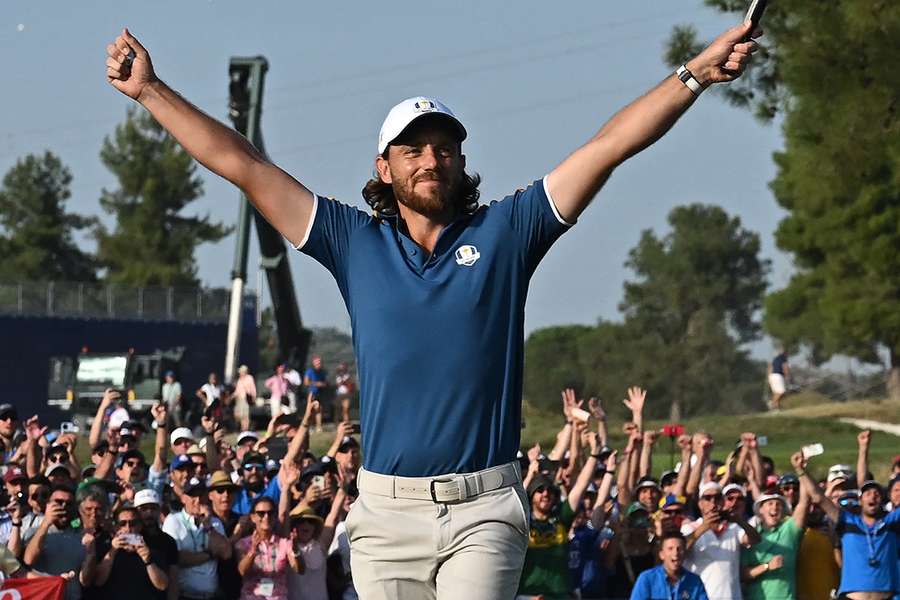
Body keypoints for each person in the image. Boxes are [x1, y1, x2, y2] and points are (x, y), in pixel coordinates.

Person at [104, 21, 758, 598]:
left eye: (444, 148)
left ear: (462, 161)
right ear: (383, 168)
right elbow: (243, 165)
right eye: (413, 149)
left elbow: (607, 145)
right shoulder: (351, 240)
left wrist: (694, 74)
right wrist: (151, 91)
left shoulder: (507, 233)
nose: (431, 160)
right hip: (386, 513)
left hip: (485, 509)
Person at [797, 449, 900, 600]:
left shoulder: (891, 522)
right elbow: (818, 497)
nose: (873, 496)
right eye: (867, 494)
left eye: (877, 494)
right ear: (860, 501)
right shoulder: (846, 520)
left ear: (882, 500)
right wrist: (800, 470)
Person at [740, 452, 811, 600]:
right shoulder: (750, 536)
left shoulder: (789, 530)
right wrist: (766, 566)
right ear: (760, 510)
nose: (775, 507)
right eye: (770, 504)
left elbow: (804, 502)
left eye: (779, 504)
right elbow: (742, 575)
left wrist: (801, 470)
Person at [682, 481, 761, 600]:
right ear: (700, 504)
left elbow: (755, 539)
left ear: (723, 502)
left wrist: (740, 521)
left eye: (717, 498)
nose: (713, 502)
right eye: (708, 498)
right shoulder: (690, 528)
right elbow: (681, 550)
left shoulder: (734, 528)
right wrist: (704, 527)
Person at [162, 477, 232, 600]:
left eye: (201, 495)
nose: (198, 500)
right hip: (185, 596)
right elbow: (177, 558)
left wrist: (208, 526)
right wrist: (210, 555)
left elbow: (226, 553)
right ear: (183, 498)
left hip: (212, 596)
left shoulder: (214, 522)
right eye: (193, 496)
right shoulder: (173, 520)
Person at [93, 505, 169, 600]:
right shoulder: (106, 549)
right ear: (116, 527)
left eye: (133, 523)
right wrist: (112, 551)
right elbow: (98, 581)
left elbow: (162, 585)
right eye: (122, 524)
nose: (128, 528)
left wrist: (148, 561)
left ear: (140, 526)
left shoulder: (151, 549)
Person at [236, 496, 300, 600]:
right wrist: (252, 551)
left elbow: (299, 569)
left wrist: (296, 550)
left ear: (275, 516)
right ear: (253, 517)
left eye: (270, 513)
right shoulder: (243, 544)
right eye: (261, 513)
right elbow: (242, 571)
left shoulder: (284, 543)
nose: (266, 517)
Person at [630, 531, 709, 600]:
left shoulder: (694, 581)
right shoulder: (647, 579)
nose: (676, 553)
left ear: (685, 553)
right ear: (661, 554)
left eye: (679, 549)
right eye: (670, 548)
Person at [303, 357, 328, 430]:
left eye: (319, 362)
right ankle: (309, 426)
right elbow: (306, 382)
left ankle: (319, 426)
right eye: (317, 362)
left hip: (320, 393)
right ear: (313, 363)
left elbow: (325, 383)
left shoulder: (322, 372)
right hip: (312, 393)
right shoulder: (309, 371)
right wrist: (316, 384)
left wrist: (323, 384)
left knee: (319, 409)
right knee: (310, 410)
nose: (318, 364)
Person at [234, 365, 257, 432]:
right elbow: (237, 391)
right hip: (239, 399)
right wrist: (232, 396)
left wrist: (254, 396)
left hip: (246, 399)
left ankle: (245, 428)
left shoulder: (249, 378)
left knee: (245, 415)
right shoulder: (239, 380)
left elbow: (253, 388)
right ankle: (242, 428)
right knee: (240, 415)